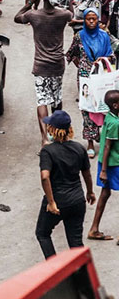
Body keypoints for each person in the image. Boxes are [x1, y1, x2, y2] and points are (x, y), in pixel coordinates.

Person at [14, 0, 73, 147]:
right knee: (57, 99)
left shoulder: (33, 15)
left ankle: (45, 138)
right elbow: (72, 14)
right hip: (57, 65)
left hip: (41, 66)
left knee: (42, 101)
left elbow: (17, 17)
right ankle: (58, 134)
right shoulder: (63, 15)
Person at [36, 110, 95, 258]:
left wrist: (51, 202)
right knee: (75, 243)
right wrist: (90, 192)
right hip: (77, 200)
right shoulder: (79, 148)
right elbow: (86, 173)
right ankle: (83, 276)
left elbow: (45, 176)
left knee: (43, 233)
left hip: (58, 200)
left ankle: (55, 269)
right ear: (69, 129)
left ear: (52, 130)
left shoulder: (48, 151)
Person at [67, 8, 114, 157]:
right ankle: (90, 143)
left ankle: (106, 139)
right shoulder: (79, 36)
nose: (92, 22)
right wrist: (82, 65)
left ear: (98, 19)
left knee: (104, 108)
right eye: (89, 19)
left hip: (102, 78)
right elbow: (70, 54)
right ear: (85, 20)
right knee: (87, 109)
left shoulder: (104, 36)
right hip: (85, 79)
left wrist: (103, 60)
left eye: (94, 19)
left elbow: (111, 55)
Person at [88, 89, 119, 241]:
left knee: (105, 193)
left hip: (106, 163)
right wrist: (105, 171)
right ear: (115, 105)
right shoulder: (115, 123)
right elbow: (107, 146)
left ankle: (94, 228)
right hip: (113, 164)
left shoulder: (110, 117)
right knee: (105, 193)